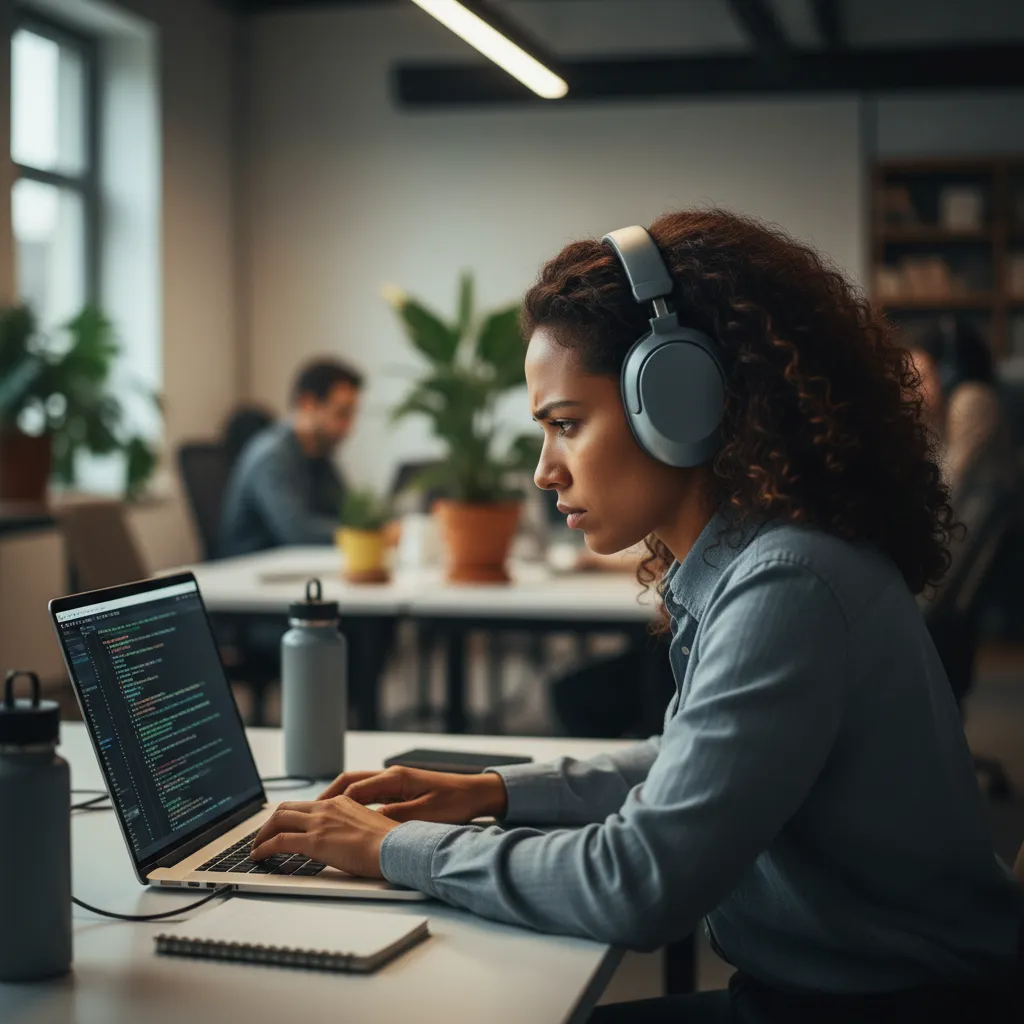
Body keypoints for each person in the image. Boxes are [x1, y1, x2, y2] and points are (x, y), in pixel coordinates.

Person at [249, 210, 1023, 1021]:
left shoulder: (790, 582)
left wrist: (392, 848)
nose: (545, 471)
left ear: (680, 401)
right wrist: (488, 793)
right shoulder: (760, 559)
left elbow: (637, 883)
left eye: (565, 425)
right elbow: (684, 764)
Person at [219, 359, 362, 557]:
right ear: (307, 403)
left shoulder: (319, 454)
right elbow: (298, 532)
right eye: (341, 413)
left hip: (295, 569)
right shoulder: (271, 456)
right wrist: (366, 535)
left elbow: (349, 513)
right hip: (248, 573)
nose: (348, 427)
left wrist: (373, 525)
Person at [908, 318, 1009, 501]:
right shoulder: (932, 418)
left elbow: (948, 489)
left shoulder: (973, 401)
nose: (910, 389)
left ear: (948, 375)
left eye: (919, 378)